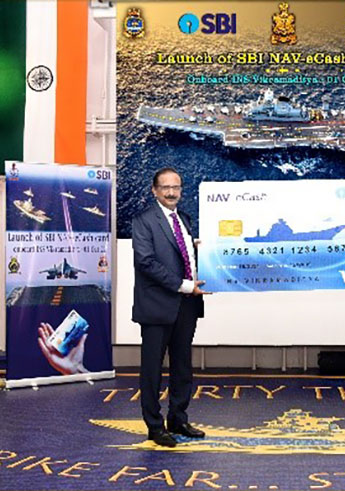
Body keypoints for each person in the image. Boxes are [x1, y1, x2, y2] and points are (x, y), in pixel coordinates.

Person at [132, 168, 210, 448]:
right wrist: (185, 285)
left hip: (186, 306)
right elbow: (146, 262)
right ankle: (155, 426)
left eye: (175, 187)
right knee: (152, 370)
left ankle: (178, 418)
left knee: (182, 366)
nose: (171, 192)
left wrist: (204, 253)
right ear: (154, 190)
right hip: (157, 306)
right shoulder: (143, 221)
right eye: (165, 187)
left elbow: (181, 256)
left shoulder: (184, 220)